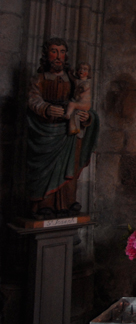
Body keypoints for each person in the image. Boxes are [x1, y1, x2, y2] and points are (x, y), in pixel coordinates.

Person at [27, 38, 99, 218]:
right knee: (47, 170)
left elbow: (84, 102)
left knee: (69, 169)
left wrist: (87, 116)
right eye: (54, 51)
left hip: (69, 130)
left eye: (61, 51)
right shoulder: (39, 78)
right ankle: (45, 204)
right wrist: (46, 108)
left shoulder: (73, 79)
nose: (58, 56)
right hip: (47, 129)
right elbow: (33, 100)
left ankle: (66, 203)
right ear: (46, 54)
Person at [65, 62, 92, 136]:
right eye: (80, 69)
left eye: (85, 69)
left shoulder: (86, 83)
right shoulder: (78, 81)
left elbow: (83, 88)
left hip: (85, 104)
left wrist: (80, 89)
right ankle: (74, 129)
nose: (81, 71)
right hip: (79, 102)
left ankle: (67, 114)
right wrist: (70, 73)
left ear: (88, 73)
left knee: (71, 104)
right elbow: (73, 79)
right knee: (76, 114)